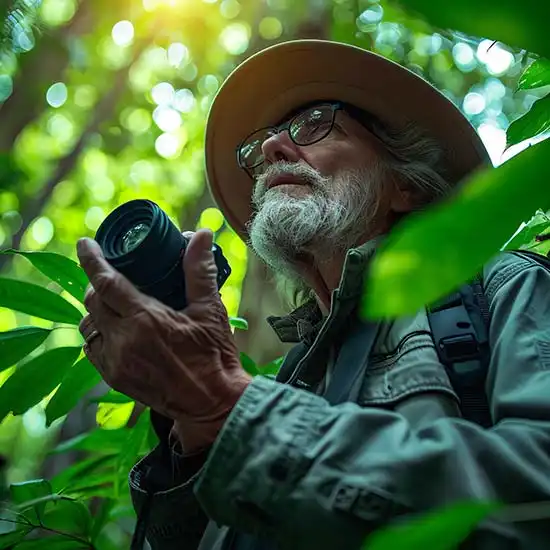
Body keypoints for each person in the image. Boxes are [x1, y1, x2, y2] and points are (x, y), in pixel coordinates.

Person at [76, 40, 550, 550]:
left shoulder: (502, 290)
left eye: (315, 123)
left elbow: (535, 496)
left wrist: (225, 403)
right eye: (261, 145)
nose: (271, 149)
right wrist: (193, 424)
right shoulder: (289, 374)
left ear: (405, 188)